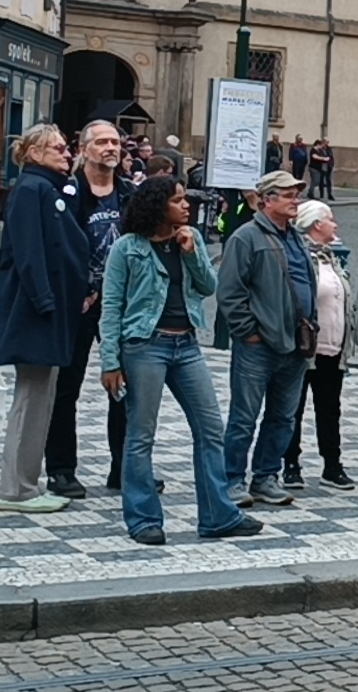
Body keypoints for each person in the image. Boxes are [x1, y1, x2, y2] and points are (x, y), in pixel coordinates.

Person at [98, 177, 261, 543]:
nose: (186, 206)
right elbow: (111, 307)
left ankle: (218, 515)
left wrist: (191, 253)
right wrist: (110, 361)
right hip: (144, 347)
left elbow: (208, 287)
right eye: (178, 200)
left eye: (185, 199)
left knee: (209, 428)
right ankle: (143, 519)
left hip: (186, 346)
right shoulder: (127, 248)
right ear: (157, 206)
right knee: (141, 435)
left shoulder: (190, 238)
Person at [0, 124, 91, 514]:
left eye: (66, 149)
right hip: (36, 309)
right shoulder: (31, 189)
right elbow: (30, 251)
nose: (67, 155)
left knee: (41, 397)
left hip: (50, 308)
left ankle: (24, 482)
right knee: (31, 399)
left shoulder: (47, 188)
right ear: (33, 153)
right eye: (58, 149)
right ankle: (17, 488)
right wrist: (46, 301)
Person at [46, 121, 135, 499]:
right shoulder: (67, 191)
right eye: (101, 142)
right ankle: (62, 469)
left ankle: (124, 467)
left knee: (126, 386)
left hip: (120, 302)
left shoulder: (129, 194)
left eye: (115, 141)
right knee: (67, 387)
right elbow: (57, 246)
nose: (110, 148)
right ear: (83, 148)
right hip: (77, 302)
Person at [217, 170, 316, 509]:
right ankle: (231, 479)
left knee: (283, 417)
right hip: (258, 346)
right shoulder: (246, 237)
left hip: (296, 343)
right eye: (288, 195)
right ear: (267, 200)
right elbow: (229, 292)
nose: (295, 201)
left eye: (296, 195)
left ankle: (265, 477)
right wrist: (250, 332)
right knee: (244, 417)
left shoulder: (297, 238)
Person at [286, 200, 356, 490]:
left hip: (333, 347)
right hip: (305, 347)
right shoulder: (300, 257)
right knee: (294, 408)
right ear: (316, 224)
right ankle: (290, 464)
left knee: (330, 408)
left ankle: (332, 464)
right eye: (330, 220)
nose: (335, 224)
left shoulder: (331, 257)